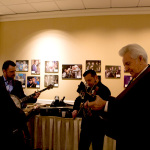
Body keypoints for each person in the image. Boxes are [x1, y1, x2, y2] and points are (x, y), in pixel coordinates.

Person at [87, 44, 150, 150]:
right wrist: (106, 102)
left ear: (140, 58)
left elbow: (135, 110)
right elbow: (126, 102)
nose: (125, 69)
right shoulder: (137, 78)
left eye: (128, 64)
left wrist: (105, 104)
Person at [72, 70, 111, 150]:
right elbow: (79, 99)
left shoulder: (105, 90)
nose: (88, 83)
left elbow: (104, 108)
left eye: (89, 80)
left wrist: (91, 103)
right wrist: (75, 109)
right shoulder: (88, 89)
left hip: (98, 127)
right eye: (86, 81)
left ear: (96, 77)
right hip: (86, 126)